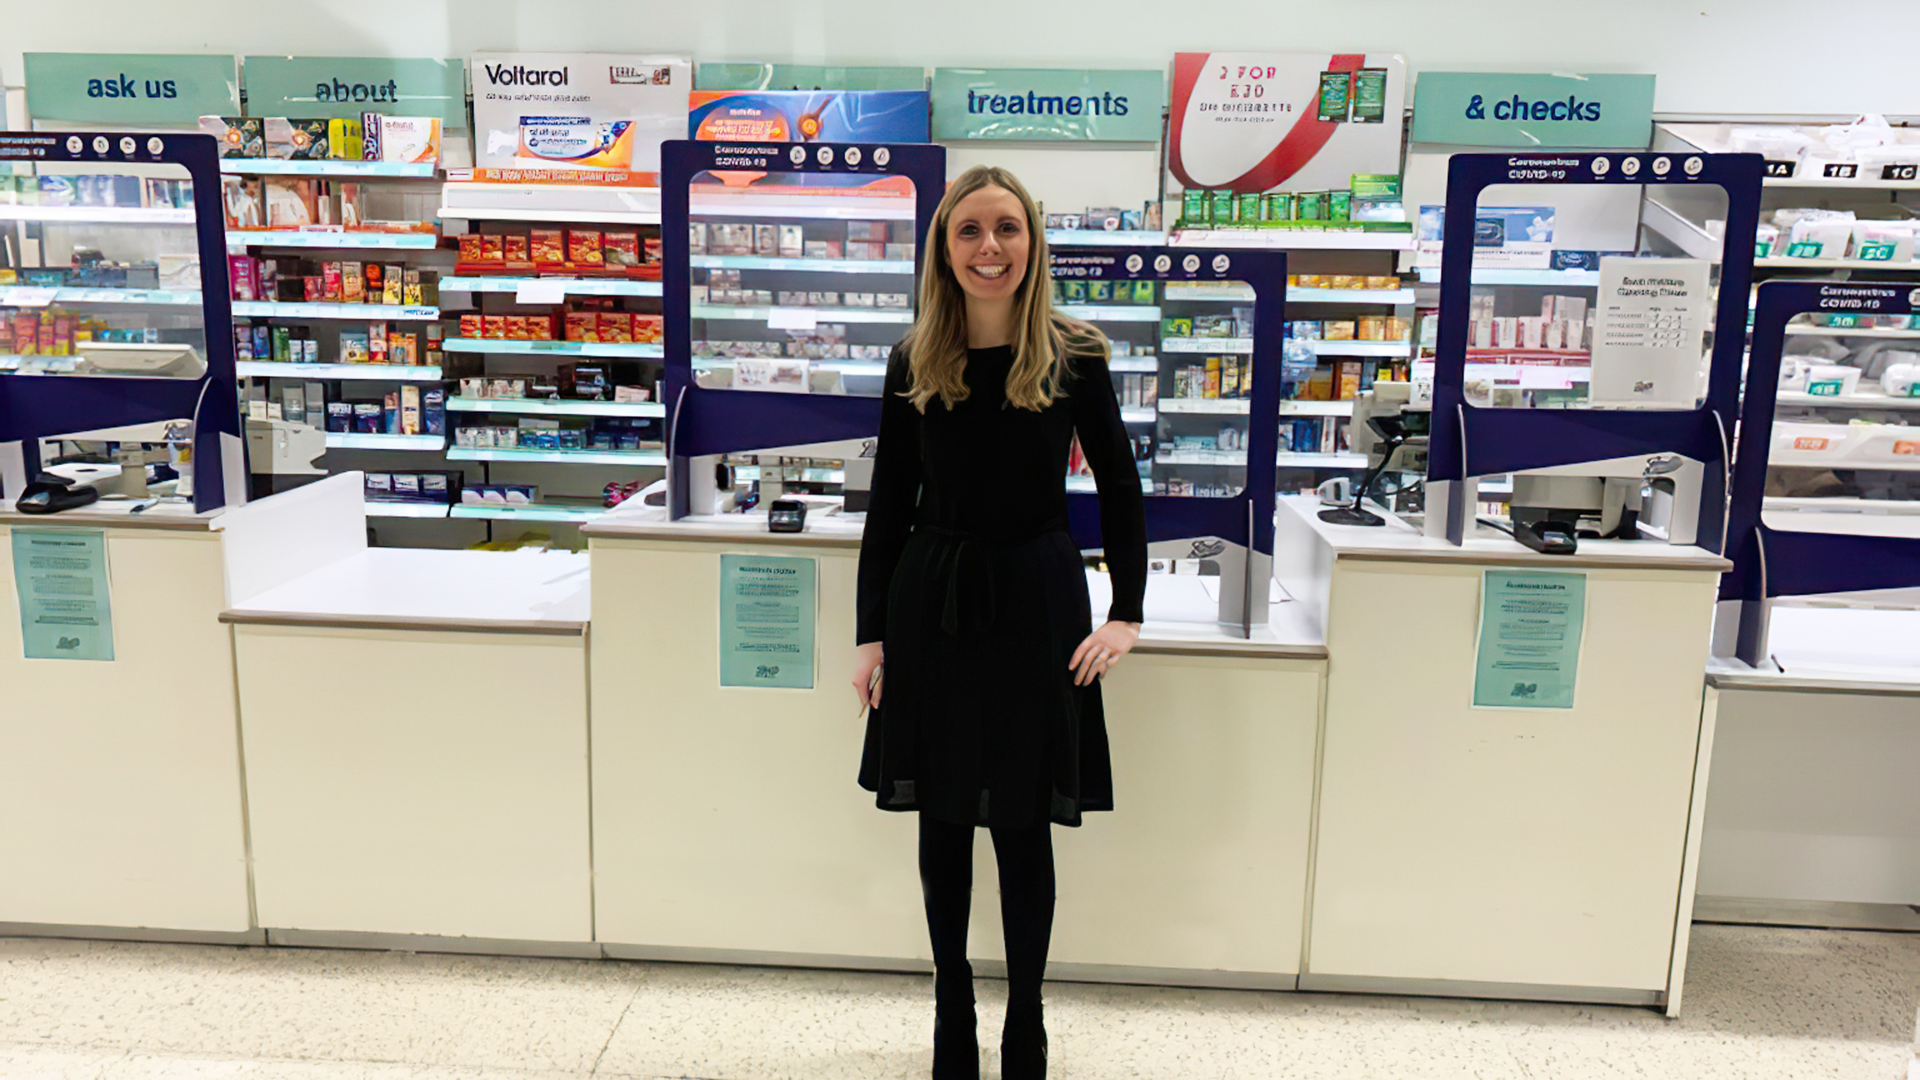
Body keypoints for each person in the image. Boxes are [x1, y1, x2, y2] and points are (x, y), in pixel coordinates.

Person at [851, 165, 1147, 1080]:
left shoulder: (1074, 354)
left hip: (1037, 599)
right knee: (942, 820)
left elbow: (1120, 485)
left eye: (1007, 228)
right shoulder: (914, 359)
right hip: (932, 599)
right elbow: (889, 504)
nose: (990, 247)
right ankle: (952, 1005)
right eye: (970, 230)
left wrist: (1127, 613)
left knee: (1022, 822)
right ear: (945, 247)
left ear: (1033, 241)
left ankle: (1027, 1015)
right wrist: (870, 634)